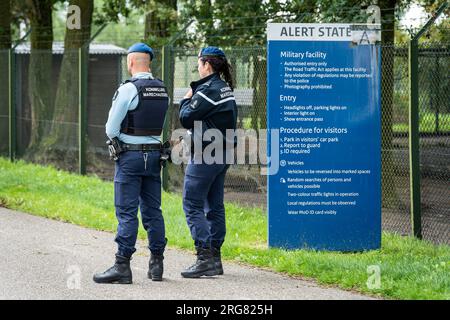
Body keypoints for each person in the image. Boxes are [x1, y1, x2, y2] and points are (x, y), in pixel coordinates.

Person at [93, 43, 169, 284]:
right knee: (153, 211)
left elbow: (110, 128)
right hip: (155, 158)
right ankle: (157, 264)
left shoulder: (128, 89)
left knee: (127, 213)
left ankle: (122, 266)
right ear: (149, 62)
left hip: (130, 158)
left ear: (131, 62)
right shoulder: (162, 89)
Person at [178, 46, 238, 278]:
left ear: (207, 65)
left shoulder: (207, 90)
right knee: (214, 205)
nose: (198, 67)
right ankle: (215, 259)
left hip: (206, 155)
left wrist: (185, 100)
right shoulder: (225, 89)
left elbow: (185, 118)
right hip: (223, 154)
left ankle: (204, 257)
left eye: (199, 63)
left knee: (192, 203)